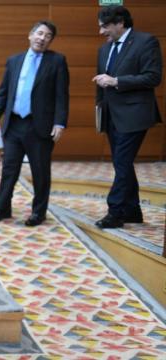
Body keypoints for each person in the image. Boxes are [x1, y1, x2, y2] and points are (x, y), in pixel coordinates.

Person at [0, 21, 69, 227]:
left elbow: (62, 95)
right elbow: (4, 93)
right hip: (14, 124)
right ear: (30, 35)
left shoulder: (57, 61)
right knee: (8, 170)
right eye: (39, 33)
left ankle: (38, 212)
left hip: (39, 126)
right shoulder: (14, 60)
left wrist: (60, 123)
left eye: (48, 36)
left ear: (50, 40)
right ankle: (3, 208)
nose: (42, 38)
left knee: (40, 171)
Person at [92, 6, 162, 228]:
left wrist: (117, 81)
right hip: (111, 115)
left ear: (120, 22)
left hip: (134, 115)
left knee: (121, 161)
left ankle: (115, 211)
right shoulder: (105, 49)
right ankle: (133, 210)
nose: (101, 31)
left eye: (105, 26)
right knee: (122, 163)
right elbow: (101, 82)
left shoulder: (146, 42)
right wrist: (99, 107)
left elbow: (152, 77)